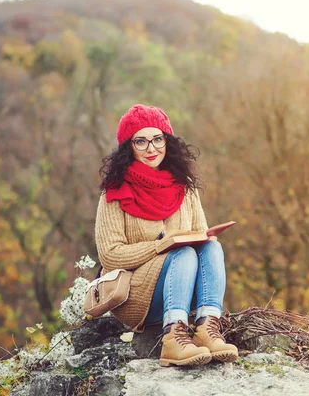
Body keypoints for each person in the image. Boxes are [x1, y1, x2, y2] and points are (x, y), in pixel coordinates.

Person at [94, 104, 238, 367]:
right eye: (141, 141)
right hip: (136, 297)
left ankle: (207, 328)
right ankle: (173, 339)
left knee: (212, 248)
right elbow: (110, 255)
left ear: (167, 141)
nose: (151, 148)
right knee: (180, 251)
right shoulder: (114, 192)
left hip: (184, 284)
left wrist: (205, 239)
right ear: (129, 147)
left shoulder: (185, 186)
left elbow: (201, 234)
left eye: (157, 139)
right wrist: (161, 246)